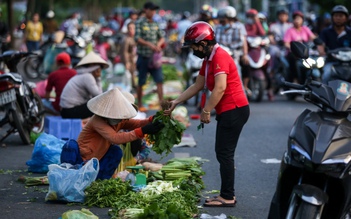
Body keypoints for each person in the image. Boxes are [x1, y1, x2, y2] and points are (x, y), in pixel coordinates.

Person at [164, 21, 250, 207]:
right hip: (229, 109)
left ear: (203, 43)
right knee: (222, 153)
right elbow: (197, 85)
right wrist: (176, 102)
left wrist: (206, 110)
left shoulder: (219, 56)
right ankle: (226, 194)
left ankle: (227, 196)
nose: (192, 50)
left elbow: (219, 89)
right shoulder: (208, 60)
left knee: (224, 154)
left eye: (193, 46)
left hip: (234, 109)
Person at [60, 88, 164, 180]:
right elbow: (115, 138)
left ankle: (101, 181)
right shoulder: (98, 120)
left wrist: (151, 119)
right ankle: (68, 178)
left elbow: (138, 123)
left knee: (116, 151)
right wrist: (142, 131)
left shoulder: (119, 119)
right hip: (82, 159)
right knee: (70, 145)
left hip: (98, 160)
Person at [135, 1, 165, 111]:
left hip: (155, 59)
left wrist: (158, 44)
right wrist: (149, 45)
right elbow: (137, 39)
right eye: (151, 9)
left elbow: (162, 37)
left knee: (159, 80)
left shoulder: (156, 23)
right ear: (145, 9)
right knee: (141, 81)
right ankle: (139, 104)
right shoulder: (140, 23)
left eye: (154, 10)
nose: (153, 12)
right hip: (143, 57)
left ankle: (162, 105)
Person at [60, 51, 108, 119]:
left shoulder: (84, 75)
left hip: (66, 110)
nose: (100, 70)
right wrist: (98, 79)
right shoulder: (87, 77)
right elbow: (99, 96)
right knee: (98, 106)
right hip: (69, 111)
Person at [317, 5, 351, 84]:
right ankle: (325, 95)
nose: (338, 18)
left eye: (341, 16)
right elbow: (320, 45)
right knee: (326, 75)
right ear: (332, 17)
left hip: (349, 63)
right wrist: (321, 51)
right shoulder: (326, 32)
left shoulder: (350, 32)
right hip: (332, 62)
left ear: (346, 18)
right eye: (336, 16)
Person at [215, 6, 249, 80]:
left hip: (234, 54)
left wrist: (245, 54)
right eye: (220, 21)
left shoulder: (238, 27)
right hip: (219, 56)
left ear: (230, 19)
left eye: (223, 21)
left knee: (238, 70)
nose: (222, 23)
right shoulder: (217, 28)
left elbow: (243, 42)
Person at [283, 11, 316, 84]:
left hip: (305, 53)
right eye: (296, 19)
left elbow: (313, 37)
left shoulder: (305, 29)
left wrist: (318, 42)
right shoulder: (290, 30)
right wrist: (293, 49)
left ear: (302, 20)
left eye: (299, 19)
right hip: (294, 53)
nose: (297, 21)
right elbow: (286, 43)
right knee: (293, 62)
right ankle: (295, 79)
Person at [242, 9, 266, 97]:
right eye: (249, 17)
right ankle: (244, 85)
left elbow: (263, 33)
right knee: (245, 64)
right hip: (246, 50)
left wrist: (257, 21)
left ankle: (270, 87)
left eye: (252, 17)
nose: (251, 19)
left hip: (257, 50)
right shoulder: (244, 26)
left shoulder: (257, 25)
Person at [119, 21, 137, 89]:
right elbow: (124, 52)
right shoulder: (126, 39)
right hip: (130, 60)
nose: (131, 30)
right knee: (131, 76)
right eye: (130, 28)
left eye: (133, 28)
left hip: (135, 59)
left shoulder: (136, 38)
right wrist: (127, 62)